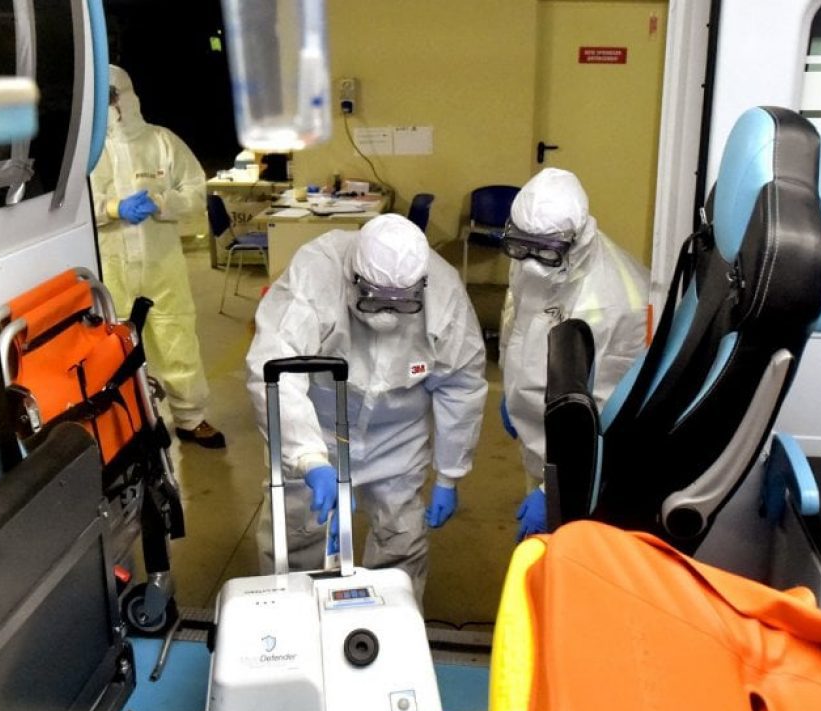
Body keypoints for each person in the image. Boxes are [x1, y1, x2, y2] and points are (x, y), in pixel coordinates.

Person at [246, 214, 487, 600]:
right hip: (319, 428)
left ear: (421, 284)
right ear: (353, 276)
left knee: (401, 541)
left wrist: (449, 473)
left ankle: (392, 622)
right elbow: (275, 371)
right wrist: (308, 458)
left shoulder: (443, 289)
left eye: (403, 301)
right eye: (375, 296)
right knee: (296, 537)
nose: (387, 312)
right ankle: (294, 617)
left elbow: (461, 384)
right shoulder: (317, 270)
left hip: (397, 437)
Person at [500, 168, 650, 541]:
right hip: (538, 427)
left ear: (577, 238)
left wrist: (552, 488)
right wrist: (510, 385)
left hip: (580, 461)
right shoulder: (534, 252)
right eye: (520, 246)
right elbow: (517, 319)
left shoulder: (616, 302)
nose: (529, 262)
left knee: (570, 544)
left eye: (545, 251)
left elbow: (607, 412)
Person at [91, 65, 225, 449]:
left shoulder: (162, 142)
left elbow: (196, 191)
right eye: (104, 98)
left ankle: (190, 418)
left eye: (115, 96)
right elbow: (76, 206)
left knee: (176, 338)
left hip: (162, 265)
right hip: (111, 269)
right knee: (114, 348)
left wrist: (162, 202)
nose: (113, 106)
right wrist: (113, 208)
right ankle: (127, 426)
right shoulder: (90, 151)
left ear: (129, 95)